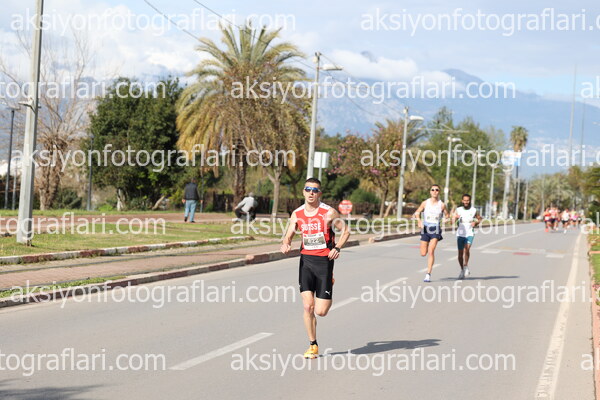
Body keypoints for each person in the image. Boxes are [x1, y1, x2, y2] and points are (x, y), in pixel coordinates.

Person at [280, 178, 350, 359]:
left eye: (315, 190)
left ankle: (329, 281)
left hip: (324, 262)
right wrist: (286, 243)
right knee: (308, 306)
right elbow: (289, 233)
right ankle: (313, 345)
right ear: (303, 192)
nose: (311, 193)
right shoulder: (297, 213)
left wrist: (337, 248)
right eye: (308, 189)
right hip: (306, 261)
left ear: (320, 193)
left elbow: (346, 231)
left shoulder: (328, 213)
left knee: (321, 311)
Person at [413, 184, 449, 283]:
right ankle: (427, 243)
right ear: (430, 191)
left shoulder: (442, 205)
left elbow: (447, 215)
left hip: (435, 228)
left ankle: (428, 274)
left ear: (439, 192)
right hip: (425, 228)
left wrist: (446, 219)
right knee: (423, 253)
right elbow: (417, 212)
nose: (434, 191)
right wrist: (419, 221)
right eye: (432, 190)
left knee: (431, 251)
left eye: (436, 190)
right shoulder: (425, 203)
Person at [453, 194, 482, 280]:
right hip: (460, 233)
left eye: (467, 200)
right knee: (460, 254)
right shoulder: (458, 210)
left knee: (467, 249)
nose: (466, 202)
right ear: (462, 201)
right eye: (464, 200)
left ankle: (465, 265)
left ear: (470, 201)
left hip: (469, 233)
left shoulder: (474, 210)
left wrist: (475, 223)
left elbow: (480, 218)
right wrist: (455, 217)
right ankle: (462, 270)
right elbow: (452, 221)